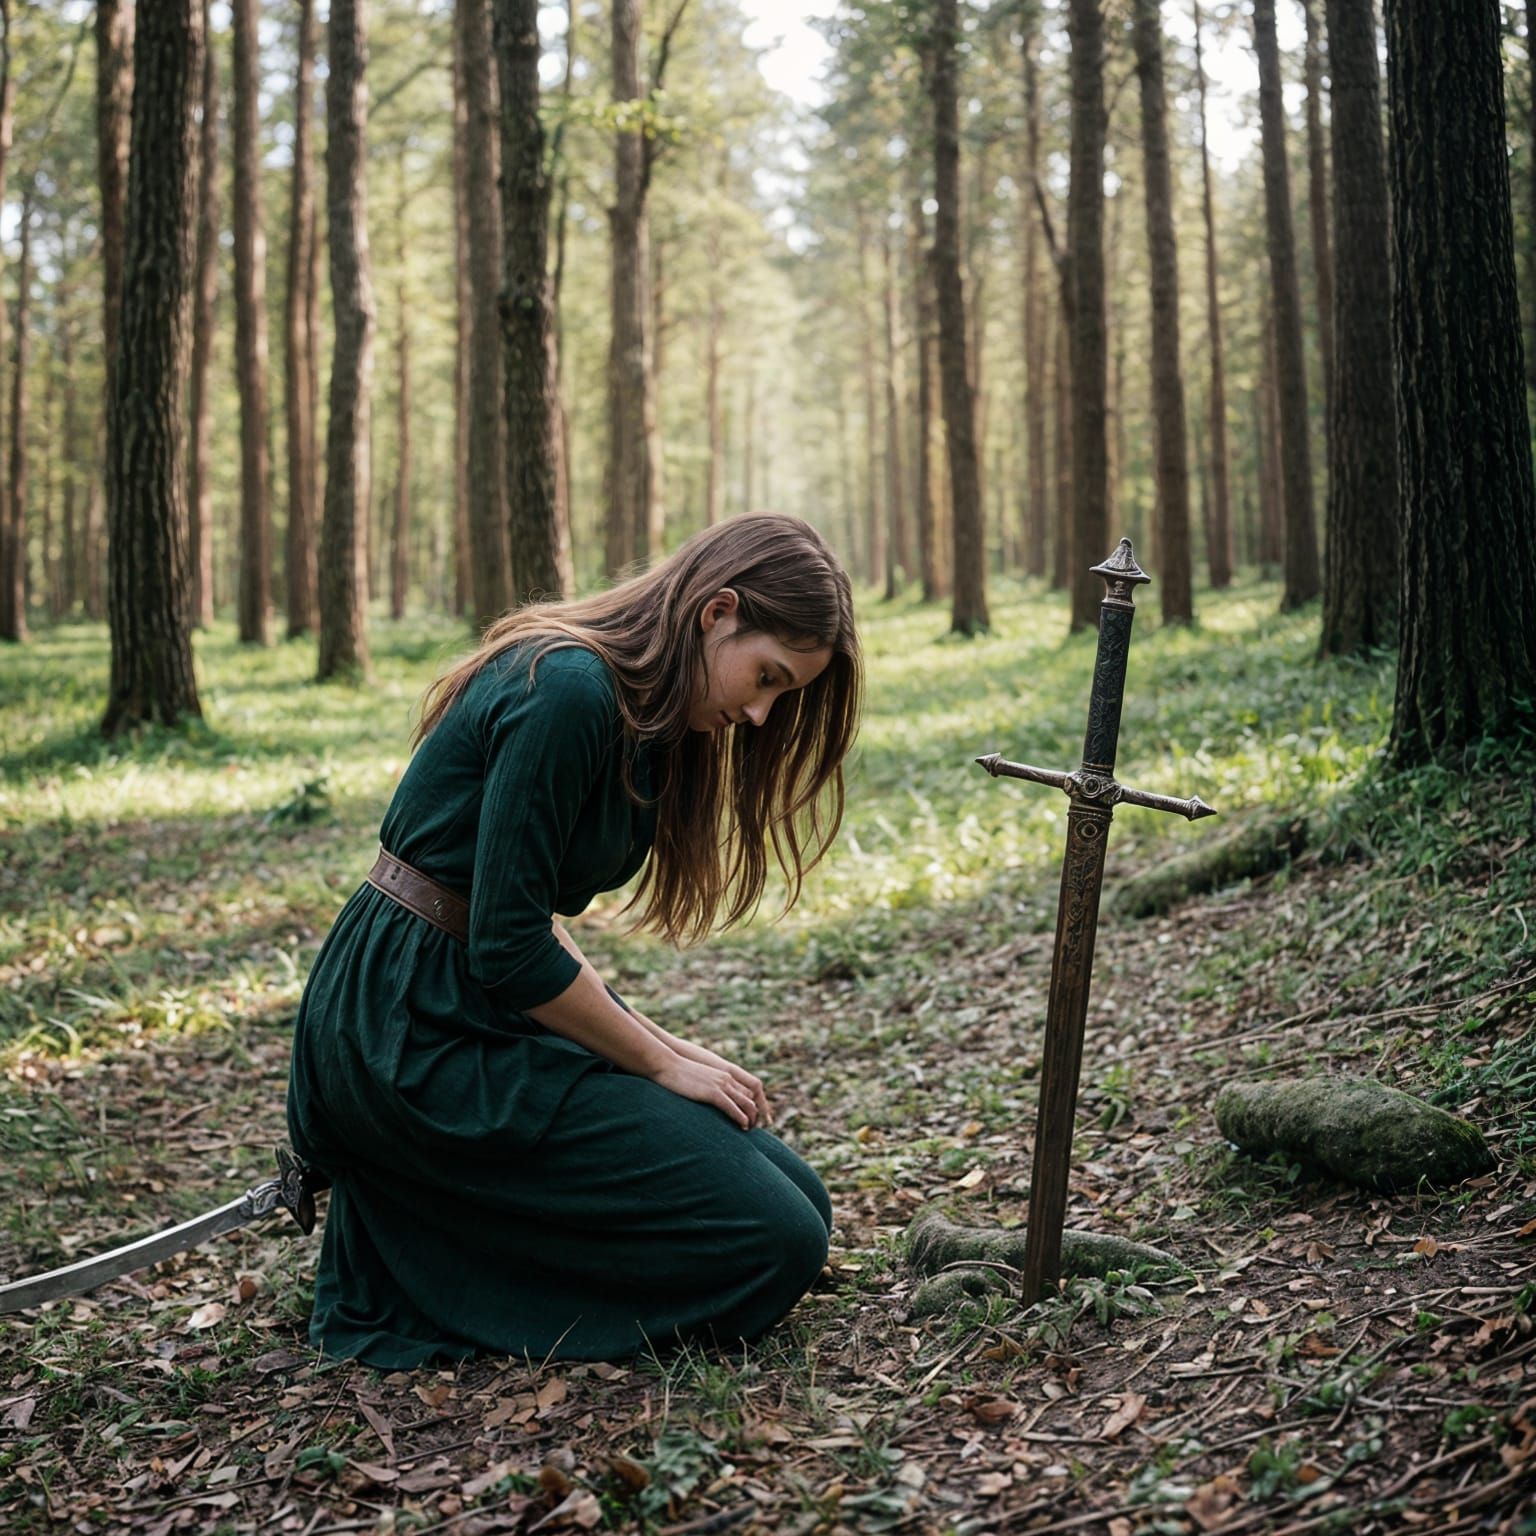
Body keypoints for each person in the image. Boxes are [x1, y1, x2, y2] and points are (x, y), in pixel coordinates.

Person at [286, 514, 863, 1367]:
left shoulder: (636, 711)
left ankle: (435, 1220)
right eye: (766, 676)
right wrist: (660, 1064)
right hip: (407, 1033)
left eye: (783, 696)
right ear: (717, 611)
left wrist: (671, 1047)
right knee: (776, 1240)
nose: (758, 711)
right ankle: (424, 1258)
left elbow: (527, 925)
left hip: (478, 1005)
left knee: (800, 1204)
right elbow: (510, 948)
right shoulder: (566, 687)